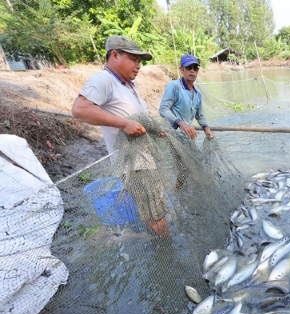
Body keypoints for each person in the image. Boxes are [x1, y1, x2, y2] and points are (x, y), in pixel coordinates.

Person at [71, 35, 170, 238]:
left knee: (156, 207)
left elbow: (136, 118)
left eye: (139, 62)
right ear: (115, 55)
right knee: (154, 212)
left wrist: (154, 131)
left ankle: (160, 239)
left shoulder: (129, 85)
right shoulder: (104, 80)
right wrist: (123, 124)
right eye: (133, 59)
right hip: (134, 164)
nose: (138, 66)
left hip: (147, 160)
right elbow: (80, 109)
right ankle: (166, 247)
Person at [159, 54, 213, 189]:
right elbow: (163, 110)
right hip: (174, 135)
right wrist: (182, 123)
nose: (192, 71)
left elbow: (200, 115)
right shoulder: (174, 86)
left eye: (195, 68)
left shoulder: (197, 93)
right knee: (186, 166)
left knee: (195, 163)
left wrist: (206, 128)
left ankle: (184, 189)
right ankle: (178, 189)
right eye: (189, 67)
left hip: (188, 136)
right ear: (182, 69)